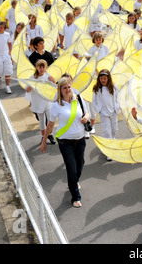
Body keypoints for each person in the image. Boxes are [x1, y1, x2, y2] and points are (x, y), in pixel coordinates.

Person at [41, 77, 90, 208]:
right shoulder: (56, 106)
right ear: (60, 90)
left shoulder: (78, 99)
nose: (68, 90)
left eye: (69, 87)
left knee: (80, 164)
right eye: (64, 88)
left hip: (80, 140)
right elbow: (50, 125)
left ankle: (74, 182)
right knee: (71, 168)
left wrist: (86, 117)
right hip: (65, 142)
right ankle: (75, 196)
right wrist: (44, 141)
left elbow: (87, 112)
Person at [26, 59, 56, 144]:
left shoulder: (48, 76)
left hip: (47, 101)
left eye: (43, 67)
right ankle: (43, 136)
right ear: (37, 67)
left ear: (46, 68)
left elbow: (55, 87)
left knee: (50, 118)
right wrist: (33, 83)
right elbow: (27, 90)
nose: (42, 69)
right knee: (41, 119)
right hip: (38, 101)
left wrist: (53, 81)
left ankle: (50, 134)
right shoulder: (33, 77)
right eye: (40, 67)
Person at [92, 69, 119, 161]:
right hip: (103, 113)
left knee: (114, 130)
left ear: (108, 78)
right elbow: (94, 101)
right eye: (101, 78)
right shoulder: (97, 89)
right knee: (107, 131)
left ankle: (112, 140)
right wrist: (98, 109)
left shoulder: (114, 87)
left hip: (113, 112)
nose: (103, 80)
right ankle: (109, 151)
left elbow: (117, 98)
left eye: (104, 78)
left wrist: (117, 108)